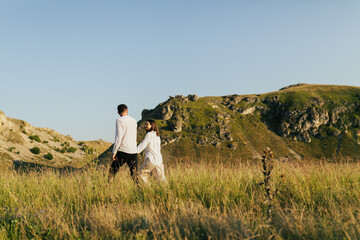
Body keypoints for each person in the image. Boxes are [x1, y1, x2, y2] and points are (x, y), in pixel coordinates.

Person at [109, 104, 138, 181]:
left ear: (118, 112)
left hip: (123, 150)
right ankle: (139, 189)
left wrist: (114, 152)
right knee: (134, 173)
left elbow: (118, 138)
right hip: (133, 150)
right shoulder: (134, 120)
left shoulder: (119, 120)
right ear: (127, 110)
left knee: (113, 171)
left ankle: (108, 186)